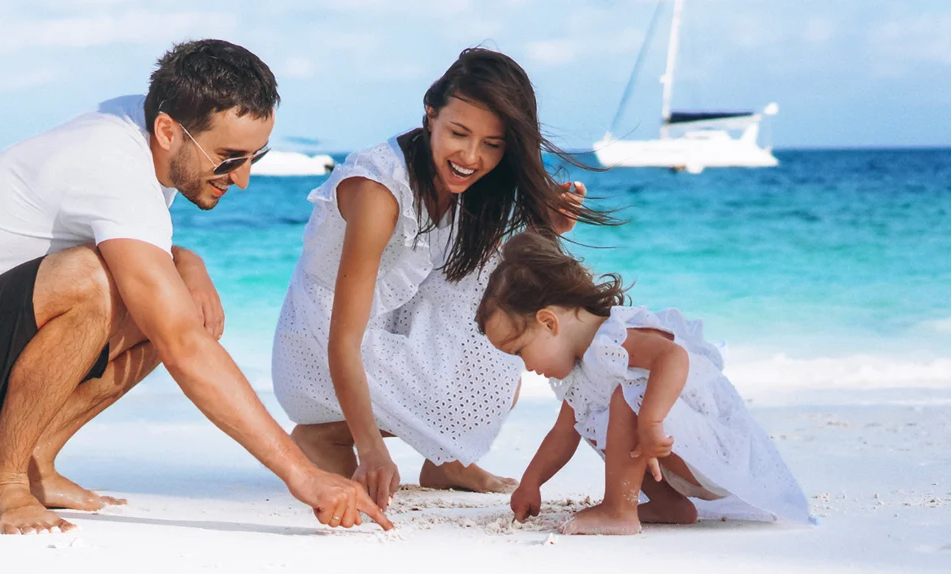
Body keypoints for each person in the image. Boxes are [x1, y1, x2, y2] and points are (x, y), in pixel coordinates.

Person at [0, 39, 390, 535]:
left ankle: (35, 460)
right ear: (167, 131)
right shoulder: (112, 161)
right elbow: (180, 344)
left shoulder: (146, 126)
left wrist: (190, 261)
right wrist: (303, 476)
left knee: (167, 296)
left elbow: (131, 247)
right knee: (108, 287)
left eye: (257, 157)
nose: (243, 178)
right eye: (230, 158)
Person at [272, 48, 614, 511]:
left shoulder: (470, 185)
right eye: (458, 133)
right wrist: (371, 449)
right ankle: (324, 435)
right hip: (320, 349)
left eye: (493, 144)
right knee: (478, 365)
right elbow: (343, 338)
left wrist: (546, 228)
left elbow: (490, 281)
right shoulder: (378, 191)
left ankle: (444, 460)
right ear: (430, 114)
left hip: (384, 325)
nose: (472, 156)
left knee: (503, 329)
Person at [476, 229, 812, 535]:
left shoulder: (613, 338)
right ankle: (671, 506)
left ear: (548, 322)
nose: (526, 367)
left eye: (520, 351)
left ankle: (618, 511)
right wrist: (531, 482)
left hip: (716, 450)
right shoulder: (582, 375)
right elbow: (562, 435)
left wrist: (651, 420)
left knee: (629, 393)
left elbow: (672, 357)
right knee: (594, 415)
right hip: (677, 457)